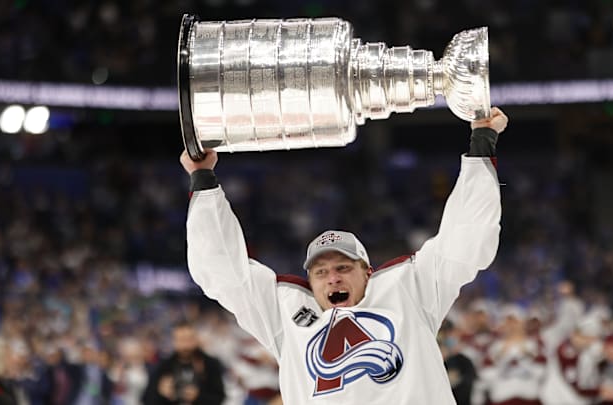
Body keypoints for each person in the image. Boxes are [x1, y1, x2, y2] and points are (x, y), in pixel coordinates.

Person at [181, 107, 508, 404]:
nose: (333, 277)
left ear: (367, 271)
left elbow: (464, 238)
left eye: (342, 267)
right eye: (320, 272)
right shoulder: (286, 314)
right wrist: (203, 179)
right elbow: (222, 271)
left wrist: (482, 141)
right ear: (309, 281)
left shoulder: (409, 289)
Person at [142, 322, 226, 405]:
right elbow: (146, 399)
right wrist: (160, 393)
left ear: (196, 339)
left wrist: (199, 396)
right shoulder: (164, 367)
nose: (185, 345)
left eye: (189, 339)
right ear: (174, 341)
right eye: (181, 339)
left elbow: (220, 397)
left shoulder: (209, 364)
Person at [480, 304, 546, 405]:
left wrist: (529, 355)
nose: (511, 325)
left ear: (522, 322)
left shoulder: (534, 345)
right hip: (502, 398)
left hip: (529, 398)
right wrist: (499, 356)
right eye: (507, 321)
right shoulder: (494, 347)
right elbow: (486, 375)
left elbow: (541, 372)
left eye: (514, 321)